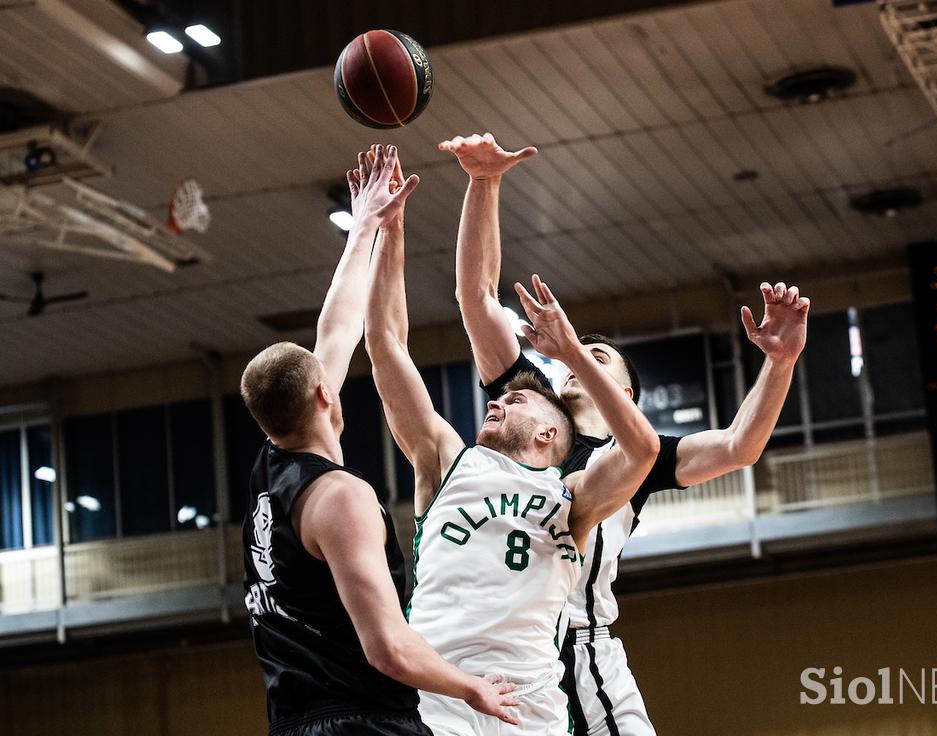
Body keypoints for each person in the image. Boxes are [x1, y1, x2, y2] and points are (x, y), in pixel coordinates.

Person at [441, 132, 811, 735]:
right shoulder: (529, 409)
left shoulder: (637, 456)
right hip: (496, 650)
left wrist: (781, 362)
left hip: (579, 648)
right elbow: (476, 297)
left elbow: (742, 445)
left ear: (629, 395)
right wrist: (483, 182)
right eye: (577, 353)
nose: (579, 358)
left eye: (599, 356)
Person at [362, 154, 660, 736]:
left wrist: (574, 352)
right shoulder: (447, 460)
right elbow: (385, 346)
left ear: (551, 432)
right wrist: (390, 232)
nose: (495, 402)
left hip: (530, 707)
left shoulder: (572, 496)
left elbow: (643, 451)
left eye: (516, 402)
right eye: (500, 400)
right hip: (439, 697)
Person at [240, 144, 518, 736]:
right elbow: (387, 649)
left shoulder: (271, 470)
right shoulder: (340, 497)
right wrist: (472, 687)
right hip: (361, 723)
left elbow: (337, 329)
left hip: (297, 723)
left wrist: (369, 224)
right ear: (324, 397)